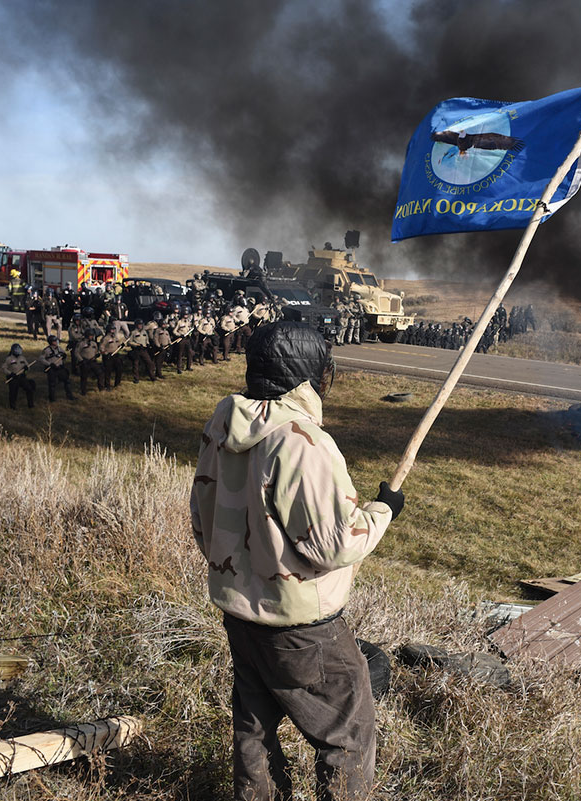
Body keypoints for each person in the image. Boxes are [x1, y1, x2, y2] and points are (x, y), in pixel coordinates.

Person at [190, 321, 403, 801]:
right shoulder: (301, 441)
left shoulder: (222, 424)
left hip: (240, 613)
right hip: (301, 625)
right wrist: (383, 511)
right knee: (347, 732)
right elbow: (333, 543)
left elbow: (202, 518)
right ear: (308, 376)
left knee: (254, 728)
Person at [39, 335, 74, 402]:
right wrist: (49, 364)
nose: (56, 342)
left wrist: (64, 356)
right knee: (52, 384)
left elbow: (63, 355)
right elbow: (41, 359)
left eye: (56, 340)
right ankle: (52, 398)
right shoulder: (46, 350)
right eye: (55, 341)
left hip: (60, 368)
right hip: (52, 369)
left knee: (67, 381)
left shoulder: (59, 348)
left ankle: (69, 396)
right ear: (51, 342)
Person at [3, 343, 36, 409]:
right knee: (13, 392)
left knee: (29, 388)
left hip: (21, 377)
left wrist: (26, 368)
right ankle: (12, 406)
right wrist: (10, 373)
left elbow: (28, 366)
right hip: (13, 378)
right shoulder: (9, 359)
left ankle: (31, 404)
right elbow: (4, 368)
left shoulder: (22, 358)